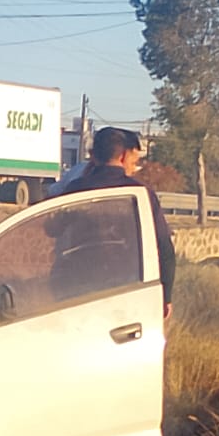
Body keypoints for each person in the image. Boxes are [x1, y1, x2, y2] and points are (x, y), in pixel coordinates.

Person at [57, 126, 177, 319]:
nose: (133, 167)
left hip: (77, 288)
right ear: (122, 156)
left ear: (94, 155)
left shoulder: (76, 189)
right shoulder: (140, 194)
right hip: (126, 287)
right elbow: (164, 249)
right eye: (133, 161)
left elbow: (52, 228)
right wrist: (166, 296)